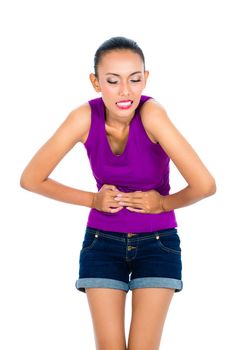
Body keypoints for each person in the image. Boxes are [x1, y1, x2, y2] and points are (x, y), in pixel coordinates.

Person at [20, 36, 216, 350]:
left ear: (145, 79)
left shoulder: (153, 115)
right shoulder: (83, 117)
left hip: (157, 243)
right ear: (96, 82)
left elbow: (205, 185)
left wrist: (162, 202)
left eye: (134, 80)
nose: (125, 91)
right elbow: (31, 179)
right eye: (113, 81)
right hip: (102, 242)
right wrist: (92, 200)